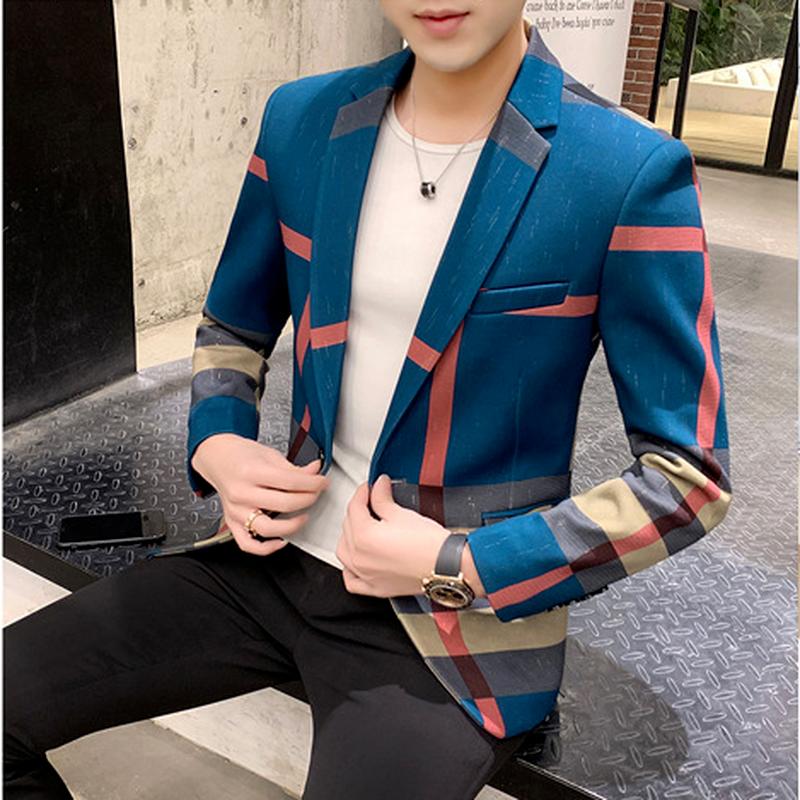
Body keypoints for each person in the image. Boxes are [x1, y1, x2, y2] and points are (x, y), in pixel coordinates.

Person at [4, 1, 733, 798]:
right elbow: (232, 325)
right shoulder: (303, 120)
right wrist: (218, 441)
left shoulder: (625, 168)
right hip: (268, 561)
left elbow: (687, 479)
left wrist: (459, 563)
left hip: (447, 628)